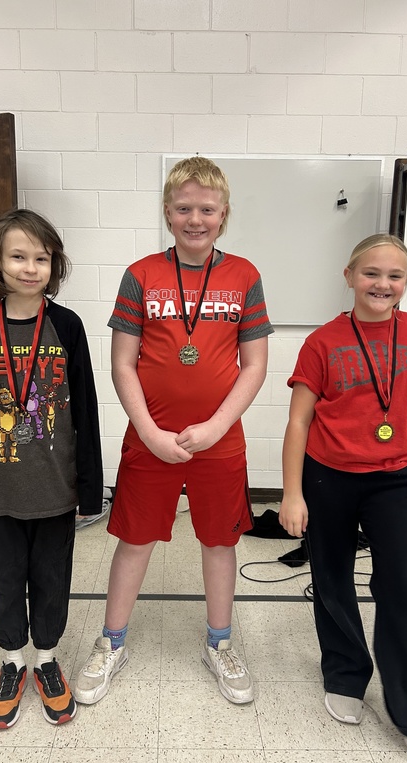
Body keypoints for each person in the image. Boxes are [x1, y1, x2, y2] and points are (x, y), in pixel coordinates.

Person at [73, 156, 273, 706]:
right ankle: (112, 643)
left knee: (219, 541)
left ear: (224, 215)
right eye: (183, 208)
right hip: (150, 439)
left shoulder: (244, 276)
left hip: (219, 440)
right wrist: (151, 431)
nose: (195, 219)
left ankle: (220, 642)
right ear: (167, 212)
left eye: (206, 209)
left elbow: (254, 366)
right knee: (134, 541)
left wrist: (214, 427)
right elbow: (123, 364)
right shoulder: (140, 275)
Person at [278, 234, 407, 762]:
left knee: (406, 591)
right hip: (329, 476)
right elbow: (299, 420)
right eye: (371, 273)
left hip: (398, 479)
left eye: (394, 276)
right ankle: (346, 674)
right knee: (331, 580)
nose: (382, 284)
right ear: (349, 275)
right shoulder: (324, 342)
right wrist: (291, 493)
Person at [0, 208, 103, 729]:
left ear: (54, 264)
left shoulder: (66, 325)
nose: (30, 267)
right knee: (6, 578)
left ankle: (47, 659)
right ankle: (13, 660)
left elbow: (85, 407)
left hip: (55, 488)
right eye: (19, 256)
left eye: (42, 257)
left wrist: (90, 486)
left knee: (51, 577)